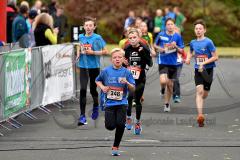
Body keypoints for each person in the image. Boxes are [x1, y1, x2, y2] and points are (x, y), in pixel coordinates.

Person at [96, 48, 135, 156]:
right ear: (111, 60)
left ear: (123, 59)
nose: (117, 59)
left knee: (120, 124)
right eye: (115, 57)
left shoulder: (127, 72)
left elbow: (133, 89)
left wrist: (127, 82)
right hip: (109, 103)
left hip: (122, 103)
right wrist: (103, 87)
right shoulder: (106, 71)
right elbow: (97, 80)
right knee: (110, 126)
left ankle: (115, 146)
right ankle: (110, 121)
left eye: (119, 57)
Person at [185, 19, 218, 127]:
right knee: (199, 91)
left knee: (205, 93)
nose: (198, 30)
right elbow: (190, 52)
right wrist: (188, 58)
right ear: (194, 30)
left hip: (208, 70)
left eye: (200, 28)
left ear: (204, 30)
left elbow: (215, 57)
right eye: (196, 29)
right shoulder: (193, 42)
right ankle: (200, 116)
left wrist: (204, 63)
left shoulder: (208, 42)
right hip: (198, 70)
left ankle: (202, 101)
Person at [76, 17, 108, 126]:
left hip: (94, 67)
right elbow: (79, 46)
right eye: (86, 25)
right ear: (84, 27)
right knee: (83, 89)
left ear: (94, 27)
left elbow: (105, 51)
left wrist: (93, 52)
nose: (88, 27)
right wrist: (78, 53)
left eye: (90, 25)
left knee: (93, 90)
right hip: (83, 66)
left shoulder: (97, 38)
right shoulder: (80, 36)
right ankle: (82, 116)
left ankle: (95, 106)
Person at [124, 28, 152, 134]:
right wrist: (124, 63)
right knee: (129, 98)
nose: (132, 40)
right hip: (130, 78)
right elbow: (124, 63)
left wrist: (143, 52)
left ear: (139, 38)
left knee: (138, 100)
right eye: (130, 38)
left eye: (134, 37)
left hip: (140, 78)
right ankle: (128, 117)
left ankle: (137, 123)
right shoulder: (127, 48)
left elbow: (150, 64)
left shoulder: (144, 47)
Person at [154, 18, 184, 112]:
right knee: (163, 81)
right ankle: (162, 89)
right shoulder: (161, 34)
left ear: (174, 25)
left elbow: (181, 50)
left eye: (171, 24)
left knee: (170, 85)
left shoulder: (177, 36)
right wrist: (161, 49)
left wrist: (176, 46)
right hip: (162, 61)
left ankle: (167, 104)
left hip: (172, 63)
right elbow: (155, 45)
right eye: (168, 24)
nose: (170, 26)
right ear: (165, 26)